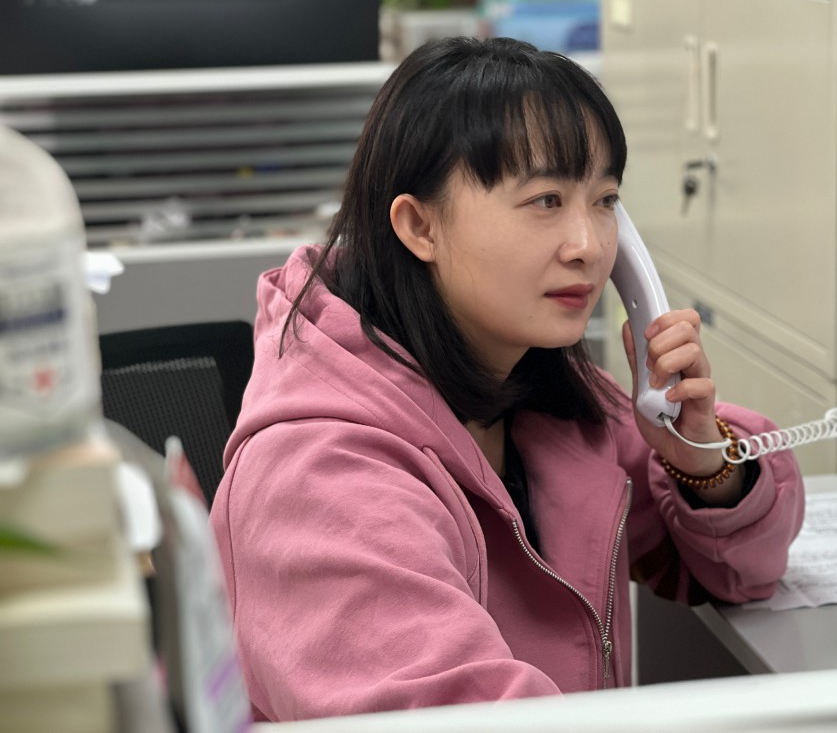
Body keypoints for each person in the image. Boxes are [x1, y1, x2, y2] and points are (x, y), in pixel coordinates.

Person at [210, 36, 804, 723]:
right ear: (419, 226)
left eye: (605, 200)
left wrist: (703, 461)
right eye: (546, 200)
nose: (589, 245)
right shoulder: (319, 478)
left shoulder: (538, 390)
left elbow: (744, 571)